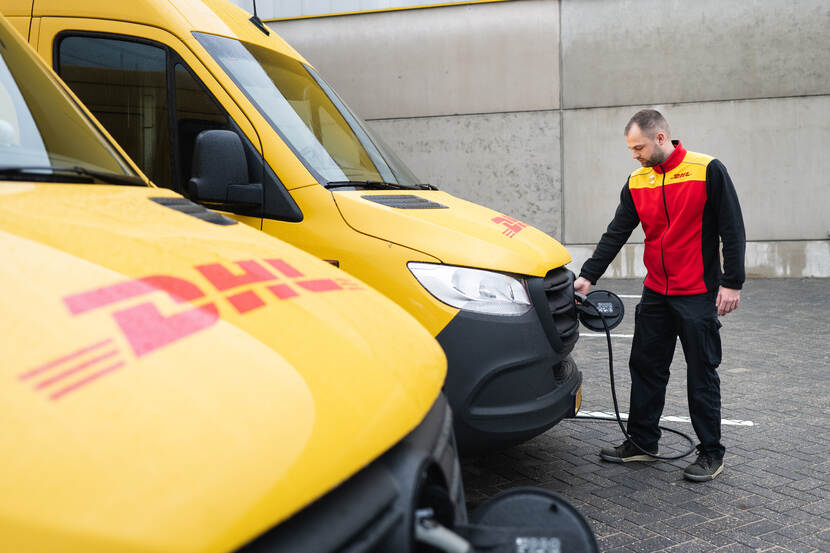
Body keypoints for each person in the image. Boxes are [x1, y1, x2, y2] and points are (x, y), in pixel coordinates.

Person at [574, 109, 745, 482]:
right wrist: (588, 276)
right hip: (655, 292)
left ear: (661, 138)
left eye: (638, 147)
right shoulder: (637, 181)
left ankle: (711, 453)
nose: (634, 154)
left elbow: (733, 228)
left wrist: (733, 282)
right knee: (646, 367)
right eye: (630, 148)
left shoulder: (707, 169)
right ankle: (642, 442)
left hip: (698, 292)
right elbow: (617, 231)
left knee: (702, 373)